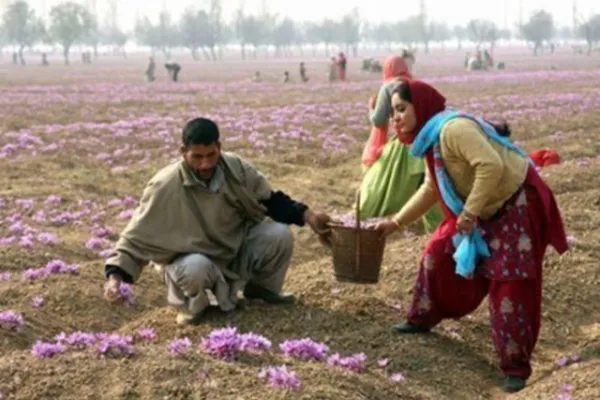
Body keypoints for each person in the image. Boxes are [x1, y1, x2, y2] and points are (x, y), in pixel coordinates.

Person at [376, 80, 568, 393]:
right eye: (393, 111)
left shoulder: (453, 129)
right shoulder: (431, 139)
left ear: (420, 107)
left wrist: (469, 213)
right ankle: (421, 317)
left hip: (516, 201)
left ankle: (515, 368)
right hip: (482, 205)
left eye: (401, 109)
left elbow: (490, 166)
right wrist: (395, 223)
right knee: (438, 252)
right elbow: (430, 188)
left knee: (511, 285)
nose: (395, 117)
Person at [103, 118, 332, 326]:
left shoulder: (236, 169)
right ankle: (193, 306)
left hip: (231, 252)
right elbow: (135, 238)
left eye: (211, 155)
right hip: (189, 261)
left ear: (219, 148)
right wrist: (115, 280)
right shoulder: (164, 185)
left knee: (278, 234)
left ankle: (262, 290)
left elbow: (270, 200)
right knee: (196, 268)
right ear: (183, 152)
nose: (205, 164)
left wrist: (308, 215)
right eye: (197, 157)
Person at [359, 55, 443, 233]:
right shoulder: (412, 86)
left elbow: (379, 119)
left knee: (385, 185)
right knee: (432, 186)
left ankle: (368, 217)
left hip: (406, 147)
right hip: (424, 140)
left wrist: (371, 108)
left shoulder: (388, 87)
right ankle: (438, 230)